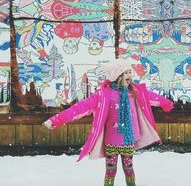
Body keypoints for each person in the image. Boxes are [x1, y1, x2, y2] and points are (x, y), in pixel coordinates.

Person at [43, 58, 174, 186]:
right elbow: (79, 109)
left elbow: (152, 97)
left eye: (130, 72)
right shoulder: (103, 94)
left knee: (129, 169)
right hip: (111, 140)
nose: (130, 75)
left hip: (128, 140)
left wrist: (166, 103)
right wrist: (56, 120)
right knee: (110, 171)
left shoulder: (135, 91)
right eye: (126, 72)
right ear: (117, 76)